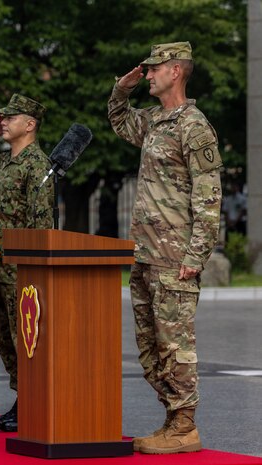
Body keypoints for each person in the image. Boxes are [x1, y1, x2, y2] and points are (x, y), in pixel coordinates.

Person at [108, 42, 222, 454]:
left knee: (176, 344)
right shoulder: (157, 121)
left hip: (174, 259)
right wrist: (123, 89)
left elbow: (208, 198)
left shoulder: (194, 126)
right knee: (151, 346)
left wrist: (195, 256)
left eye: (154, 69)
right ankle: (172, 419)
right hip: (146, 255)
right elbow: (119, 121)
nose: (148, 74)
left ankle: (185, 426)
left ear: (176, 71)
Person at [0, 94, 53, 432]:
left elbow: (42, 222)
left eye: (10, 117)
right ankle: (23, 398)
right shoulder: (9, 162)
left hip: (20, 271)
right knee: (6, 339)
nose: (3, 121)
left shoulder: (37, 165)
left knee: (25, 340)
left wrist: (34, 268)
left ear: (30, 124)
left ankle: (31, 402)